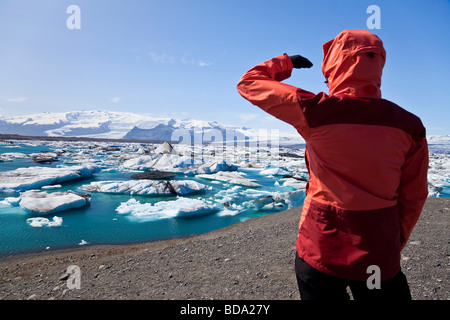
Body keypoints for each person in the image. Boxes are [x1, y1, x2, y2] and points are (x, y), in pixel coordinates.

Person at [237, 29, 429, 300]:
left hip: (320, 247)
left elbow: (249, 82)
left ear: (335, 64)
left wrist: (285, 63)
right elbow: (414, 194)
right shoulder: (409, 124)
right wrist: (393, 241)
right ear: (378, 64)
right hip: (378, 254)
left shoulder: (315, 109)